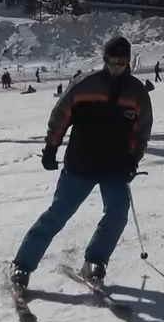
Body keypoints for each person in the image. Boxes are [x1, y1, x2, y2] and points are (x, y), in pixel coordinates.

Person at [9, 36, 153, 291]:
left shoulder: (136, 93)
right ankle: (22, 265)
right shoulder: (86, 85)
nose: (117, 66)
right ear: (104, 59)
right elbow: (60, 115)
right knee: (58, 215)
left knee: (118, 212)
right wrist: (51, 148)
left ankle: (95, 261)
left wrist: (133, 158)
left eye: (122, 61)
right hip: (81, 163)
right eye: (112, 61)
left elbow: (141, 130)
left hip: (115, 166)